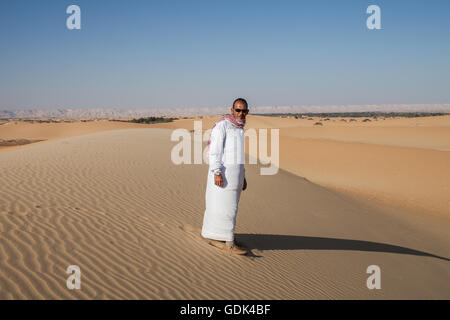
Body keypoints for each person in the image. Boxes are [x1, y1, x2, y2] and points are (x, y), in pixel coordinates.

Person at [201, 98, 249, 255]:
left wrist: (243, 176)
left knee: (231, 208)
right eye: (238, 110)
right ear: (232, 110)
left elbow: (238, 154)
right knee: (224, 208)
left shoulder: (240, 128)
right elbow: (215, 151)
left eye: (244, 111)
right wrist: (216, 172)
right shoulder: (223, 126)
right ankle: (228, 243)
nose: (241, 114)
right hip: (222, 175)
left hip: (236, 175)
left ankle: (225, 237)